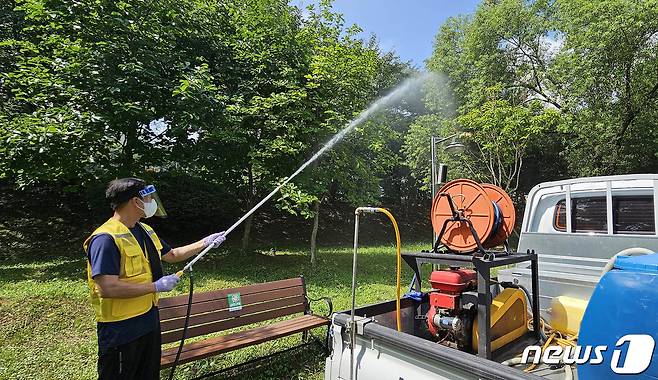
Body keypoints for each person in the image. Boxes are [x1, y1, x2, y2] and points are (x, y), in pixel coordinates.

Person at [83, 177, 226, 380]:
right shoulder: (105, 239)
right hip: (121, 328)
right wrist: (155, 286)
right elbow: (108, 287)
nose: (152, 202)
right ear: (135, 201)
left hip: (149, 320)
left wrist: (205, 242)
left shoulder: (145, 230)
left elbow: (173, 255)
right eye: (149, 197)